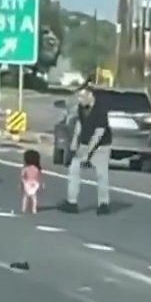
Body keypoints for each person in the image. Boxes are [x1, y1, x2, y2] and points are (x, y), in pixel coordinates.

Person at [59, 85, 111, 215]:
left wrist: (88, 154)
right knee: (74, 169)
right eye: (79, 97)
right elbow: (79, 125)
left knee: (101, 174)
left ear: (90, 96)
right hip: (84, 143)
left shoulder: (100, 109)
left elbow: (99, 134)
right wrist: (74, 145)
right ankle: (72, 202)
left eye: (82, 96)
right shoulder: (82, 108)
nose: (80, 99)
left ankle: (103, 204)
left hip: (101, 146)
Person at [21, 149, 43, 214]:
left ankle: (24, 208)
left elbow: (22, 176)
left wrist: (22, 182)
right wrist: (41, 184)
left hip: (27, 183)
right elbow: (38, 177)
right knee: (34, 197)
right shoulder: (37, 169)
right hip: (35, 183)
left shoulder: (25, 168)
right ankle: (34, 209)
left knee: (26, 196)